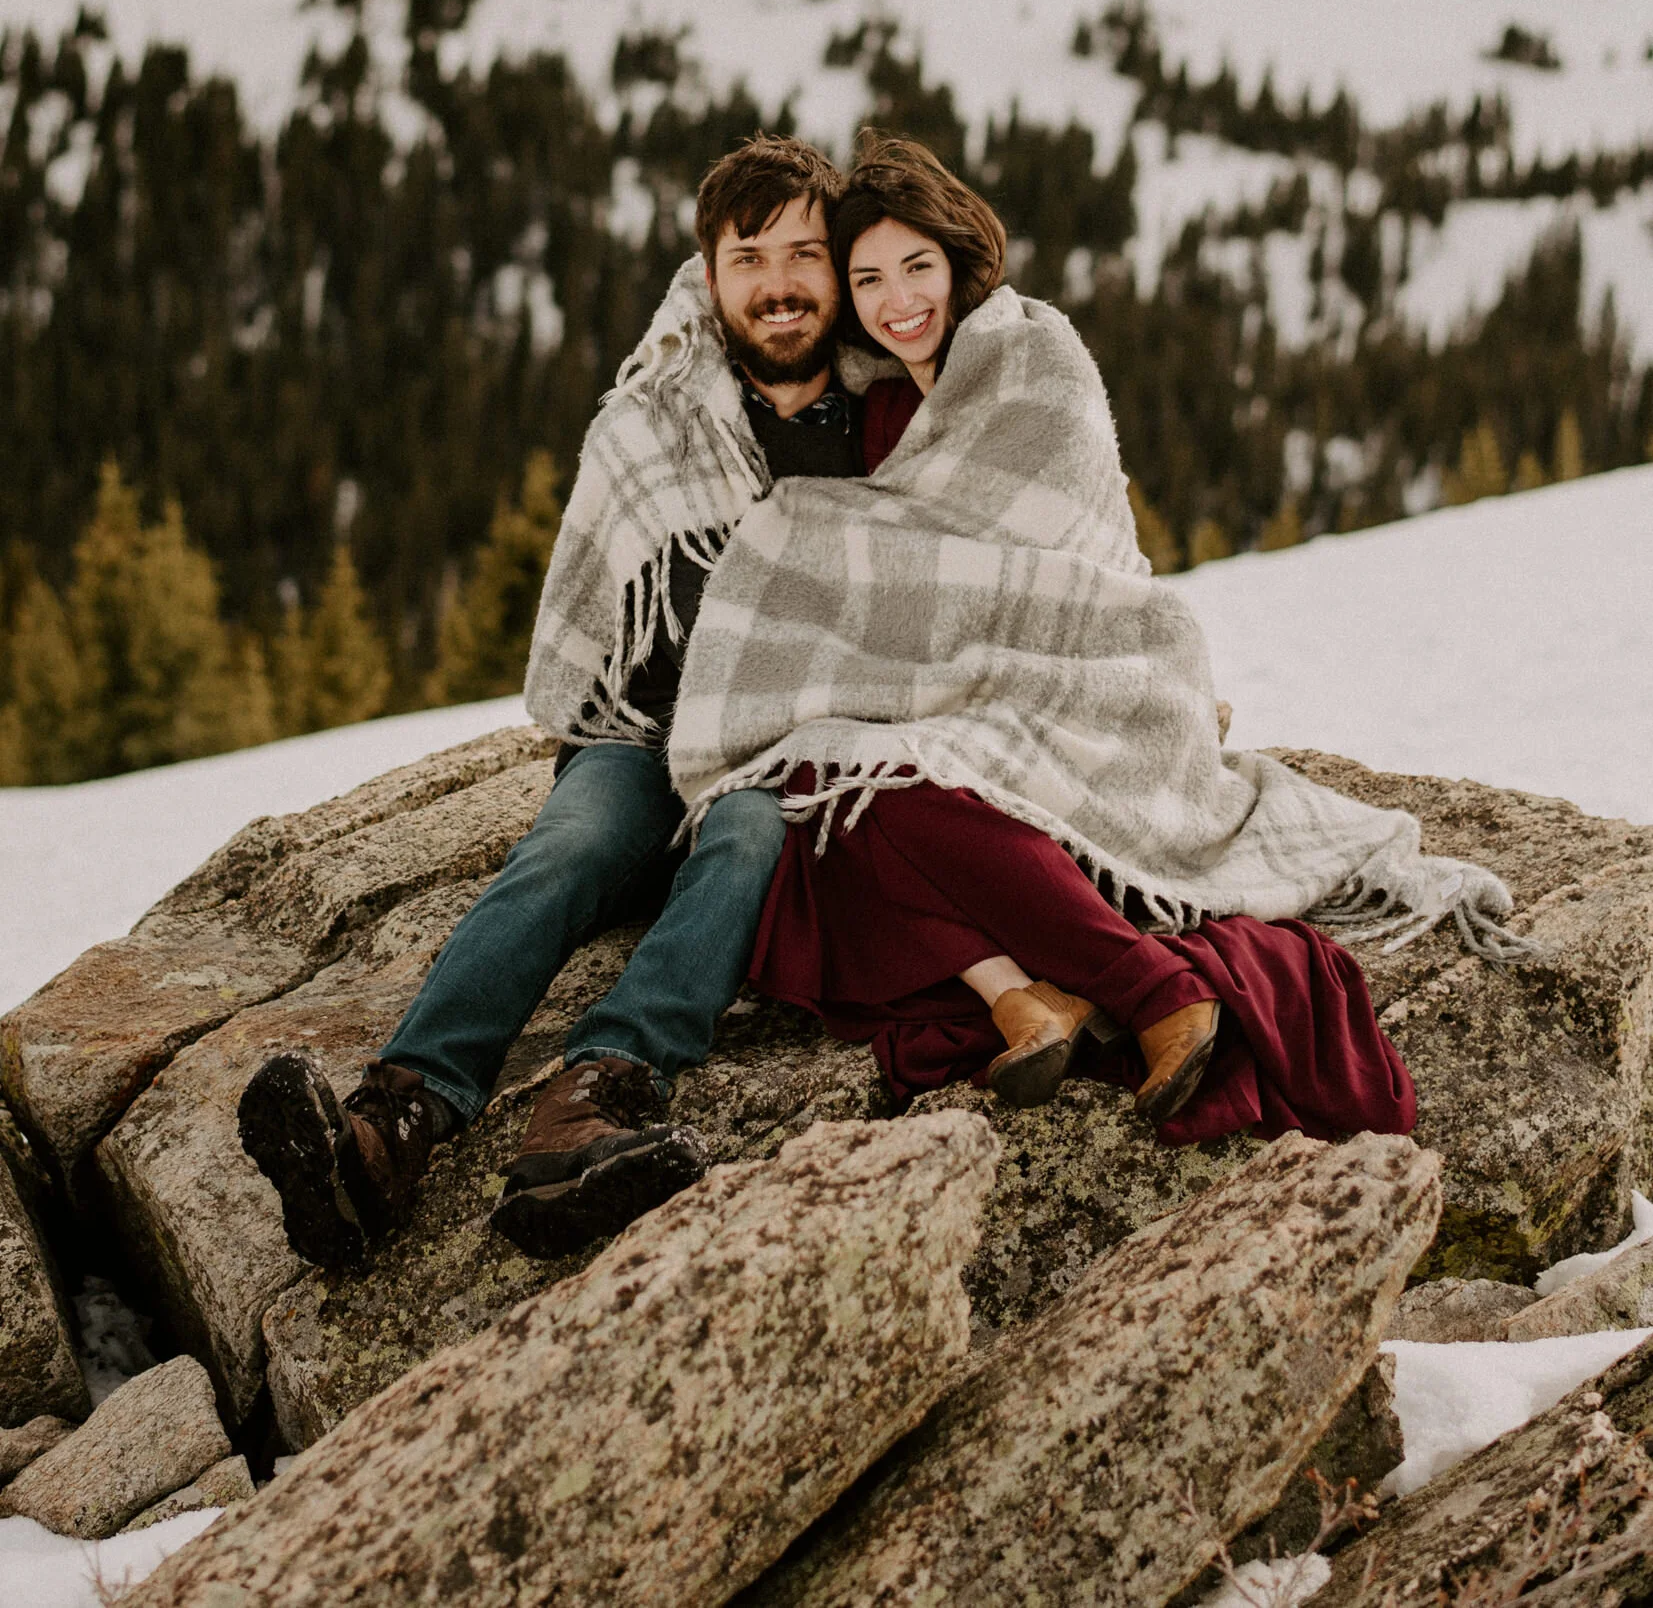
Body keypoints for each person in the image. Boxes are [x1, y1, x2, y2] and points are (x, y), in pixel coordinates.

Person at [670, 137, 1530, 1141]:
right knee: (820, 806)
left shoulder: (1033, 360)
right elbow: (901, 571)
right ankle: (1022, 998)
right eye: (867, 277)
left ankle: (1154, 985)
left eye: (916, 267)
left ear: (957, 259)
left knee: (895, 796)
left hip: (1094, 670)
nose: (895, 299)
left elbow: (1046, 563)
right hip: (959, 687)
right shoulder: (883, 398)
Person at [239, 134, 876, 1268]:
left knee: (744, 840)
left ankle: (591, 1101)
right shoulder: (657, 415)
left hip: (782, 758)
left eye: (804, 254)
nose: (779, 283)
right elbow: (608, 622)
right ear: (710, 276)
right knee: (564, 849)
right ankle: (390, 1126)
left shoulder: (890, 422)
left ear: (838, 269)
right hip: (641, 731)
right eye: (750, 258)